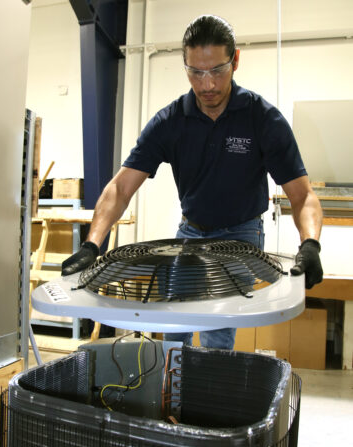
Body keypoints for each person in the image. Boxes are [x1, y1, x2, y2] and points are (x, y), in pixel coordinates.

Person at [62, 15, 323, 349]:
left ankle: (207, 395)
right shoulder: (170, 122)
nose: (208, 84)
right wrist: (92, 245)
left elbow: (303, 196)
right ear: (185, 65)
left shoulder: (262, 118)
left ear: (236, 60)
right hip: (190, 232)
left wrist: (310, 244)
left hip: (240, 234)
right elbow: (120, 188)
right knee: (174, 324)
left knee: (217, 328)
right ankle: (172, 394)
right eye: (196, 72)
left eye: (217, 70)